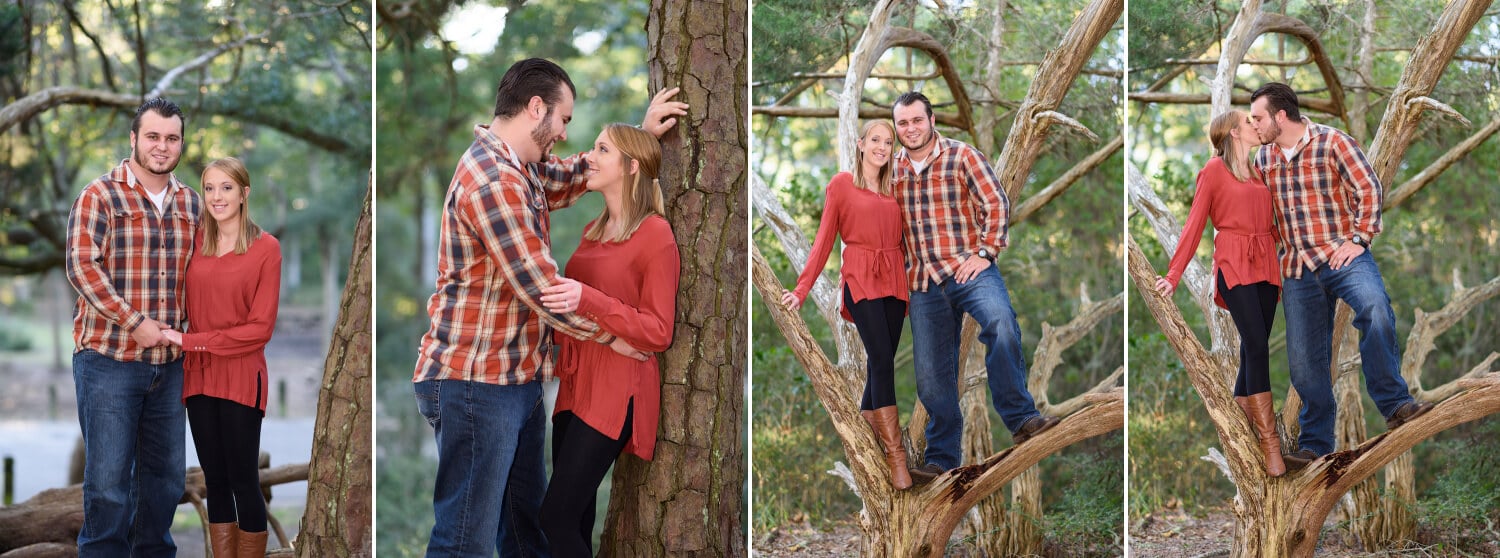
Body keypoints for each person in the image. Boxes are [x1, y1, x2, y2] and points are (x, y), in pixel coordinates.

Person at [411, 57, 685, 557]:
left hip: (516, 381)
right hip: (476, 382)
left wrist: (637, 143)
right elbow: (544, 291)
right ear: (536, 108)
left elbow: (570, 176)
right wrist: (614, 336)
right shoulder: (494, 179)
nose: (564, 133)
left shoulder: (523, 170)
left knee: (526, 535)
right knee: (464, 540)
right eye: (563, 119)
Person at [1247, 82, 1433, 469]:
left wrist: (1360, 238)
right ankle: (1316, 443)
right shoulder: (1262, 160)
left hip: (1342, 256)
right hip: (1297, 268)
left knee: (1376, 309)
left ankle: (1395, 404)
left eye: (1259, 117)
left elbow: (1369, 189)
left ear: (1281, 116)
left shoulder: (1333, 142)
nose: (1255, 124)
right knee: (1303, 363)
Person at [889, 91, 1059, 484]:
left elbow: (996, 202)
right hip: (921, 282)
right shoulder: (891, 169)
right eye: (903, 123)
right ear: (897, 128)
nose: (911, 129)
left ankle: (1021, 419)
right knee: (932, 377)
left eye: (917, 120)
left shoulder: (961, 155)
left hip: (969, 269)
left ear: (932, 120)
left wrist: (985, 252)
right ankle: (943, 459)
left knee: (1000, 322)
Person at [535, 123, 680, 557]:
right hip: (576, 385)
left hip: (618, 388)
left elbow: (659, 331)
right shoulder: (593, 231)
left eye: (602, 150)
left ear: (631, 167)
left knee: (552, 519)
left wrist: (588, 297)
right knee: (576, 519)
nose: (590, 158)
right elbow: (569, 307)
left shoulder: (656, 234)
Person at [64, 97, 201, 557]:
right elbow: (82, 267)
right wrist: (134, 321)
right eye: (153, 137)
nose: (162, 146)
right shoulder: (99, 195)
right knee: (107, 485)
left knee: (165, 484)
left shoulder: (192, 204)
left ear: (181, 143)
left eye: (172, 138)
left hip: (170, 367)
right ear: (134, 139)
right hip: (108, 361)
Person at [779, 120, 912, 489]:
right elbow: (823, 240)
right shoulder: (842, 184)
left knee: (880, 366)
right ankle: (896, 458)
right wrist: (801, 290)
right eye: (876, 140)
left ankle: (865, 438)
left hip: (894, 281)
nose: (882, 147)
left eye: (888, 142)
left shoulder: (895, 189)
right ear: (860, 144)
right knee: (882, 360)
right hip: (860, 277)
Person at [160, 157, 281, 558]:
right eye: (209, 188)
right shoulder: (195, 242)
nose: (217, 197)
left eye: (226, 188)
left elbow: (259, 329)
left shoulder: (267, 249)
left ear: (245, 194)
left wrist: (191, 341)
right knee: (215, 478)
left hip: (242, 376)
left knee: (244, 479)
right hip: (199, 377)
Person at [1154, 110, 1285, 477]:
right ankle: (1269, 444)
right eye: (1248, 121)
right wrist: (1173, 275)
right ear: (1232, 132)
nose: (1255, 125)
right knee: (1256, 346)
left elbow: (1275, 224)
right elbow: (1194, 223)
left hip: (1265, 265)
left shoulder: (1261, 172)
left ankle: (1241, 430)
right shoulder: (1213, 171)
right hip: (1234, 264)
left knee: (1251, 349)